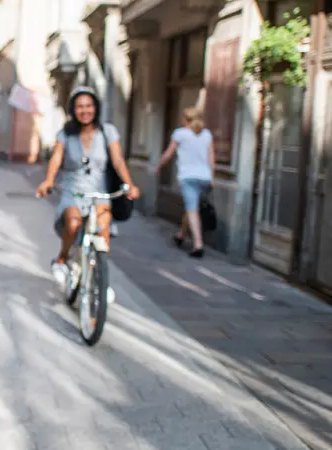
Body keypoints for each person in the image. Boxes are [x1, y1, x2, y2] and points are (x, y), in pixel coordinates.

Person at [35, 86, 140, 300]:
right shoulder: (66, 133)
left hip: (99, 191)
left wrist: (130, 184)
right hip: (73, 189)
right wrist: (48, 180)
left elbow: (118, 160)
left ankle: (100, 279)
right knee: (73, 224)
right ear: (73, 110)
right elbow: (56, 159)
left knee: (103, 229)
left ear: (96, 108)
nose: (85, 110)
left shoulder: (107, 131)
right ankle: (62, 259)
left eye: (89, 106)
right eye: (80, 106)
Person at [155, 107, 214, 258]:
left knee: (192, 210)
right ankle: (181, 235)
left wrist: (159, 166)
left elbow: (168, 154)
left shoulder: (180, 134)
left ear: (185, 119)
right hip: (205, 177)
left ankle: (198, 244)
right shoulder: (206, 134)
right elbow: (211, 158)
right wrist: (212, 176)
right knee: (191, 207)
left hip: (188, 177)